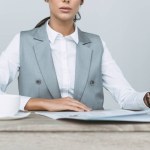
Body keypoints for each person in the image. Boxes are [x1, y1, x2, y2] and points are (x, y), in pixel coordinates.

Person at [0, 0, 150, 112]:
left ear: (82, 0)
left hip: (91, 136)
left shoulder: (96, 44)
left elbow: (125, 97)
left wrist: (147, 98)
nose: (66, 0)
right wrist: (42, 103)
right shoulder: (23, 41)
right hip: (37, 134)